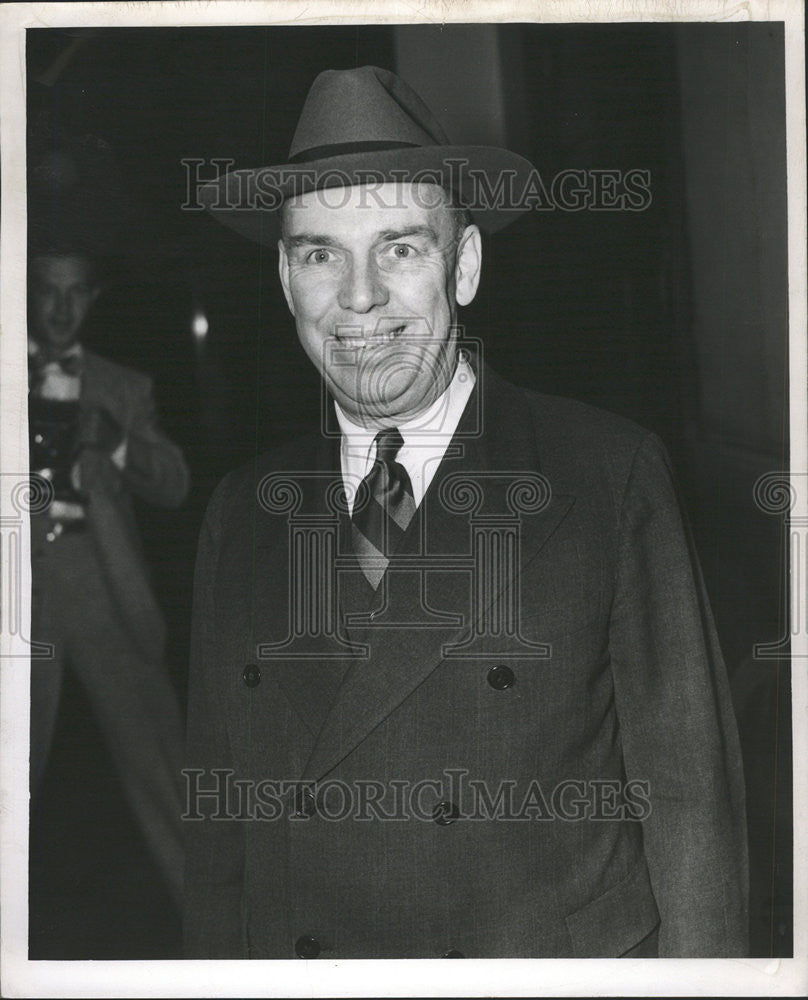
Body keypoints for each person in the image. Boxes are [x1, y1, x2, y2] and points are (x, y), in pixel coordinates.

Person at [184, 65, 748, 958]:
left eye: (401, 248)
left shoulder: (607, 474)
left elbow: (689, 803)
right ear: (286, 283)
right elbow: (217, 848)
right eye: (320, 253)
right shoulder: (239, 512)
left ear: (467, 265)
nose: (360, 296)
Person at [28, 247, 189, 908]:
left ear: (93, 300)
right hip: (16, 602)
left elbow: (176, 485)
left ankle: (213, 922)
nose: (63, 310)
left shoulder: (124, 387)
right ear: (27, 294)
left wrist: (117, 442)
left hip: (102, 585)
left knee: (163, 772)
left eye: (77, 294)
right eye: (48, 292)